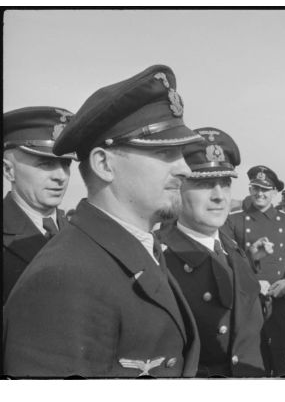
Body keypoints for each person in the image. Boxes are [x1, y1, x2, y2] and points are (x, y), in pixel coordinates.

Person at [3, 65, 202, 377]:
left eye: (182, 153)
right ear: (103, 164)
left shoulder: (132, 247)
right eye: (165, 152)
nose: (185, 169)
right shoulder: (63, 278)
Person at [157, 127, 266, 377]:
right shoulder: (158, 256)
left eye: (225, 183)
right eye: (205, 184)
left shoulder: (231, 248)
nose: (219, 197)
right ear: (178, 188)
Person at [224, 165, 285, 376]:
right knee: (252, 349)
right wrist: (252, 278)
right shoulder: (234, 220)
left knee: (279, 348)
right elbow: (228, 260)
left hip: (278, 296)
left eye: (265, 189)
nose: (260, 193)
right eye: (255, 188)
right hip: (247, 298)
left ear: (274, 192)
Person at [3, 107, 75, 304]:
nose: (60, 176)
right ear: (8, 170)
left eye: (66, 164)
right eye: (46, 163)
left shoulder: (81, 231)